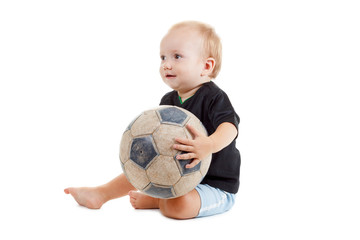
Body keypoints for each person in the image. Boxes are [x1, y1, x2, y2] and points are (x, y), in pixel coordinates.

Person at [64, 21, 241, 219]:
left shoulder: (215, 98)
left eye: (177, 56)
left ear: (206, 66)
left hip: (213, 185)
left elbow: (230, 128)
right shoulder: (168, 102)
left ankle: (159, 200)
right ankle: (101, 193)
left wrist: (209, 144)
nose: (166, 64)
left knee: (177, 208)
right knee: (145, 161)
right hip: (176, 177)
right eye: (163, 57)